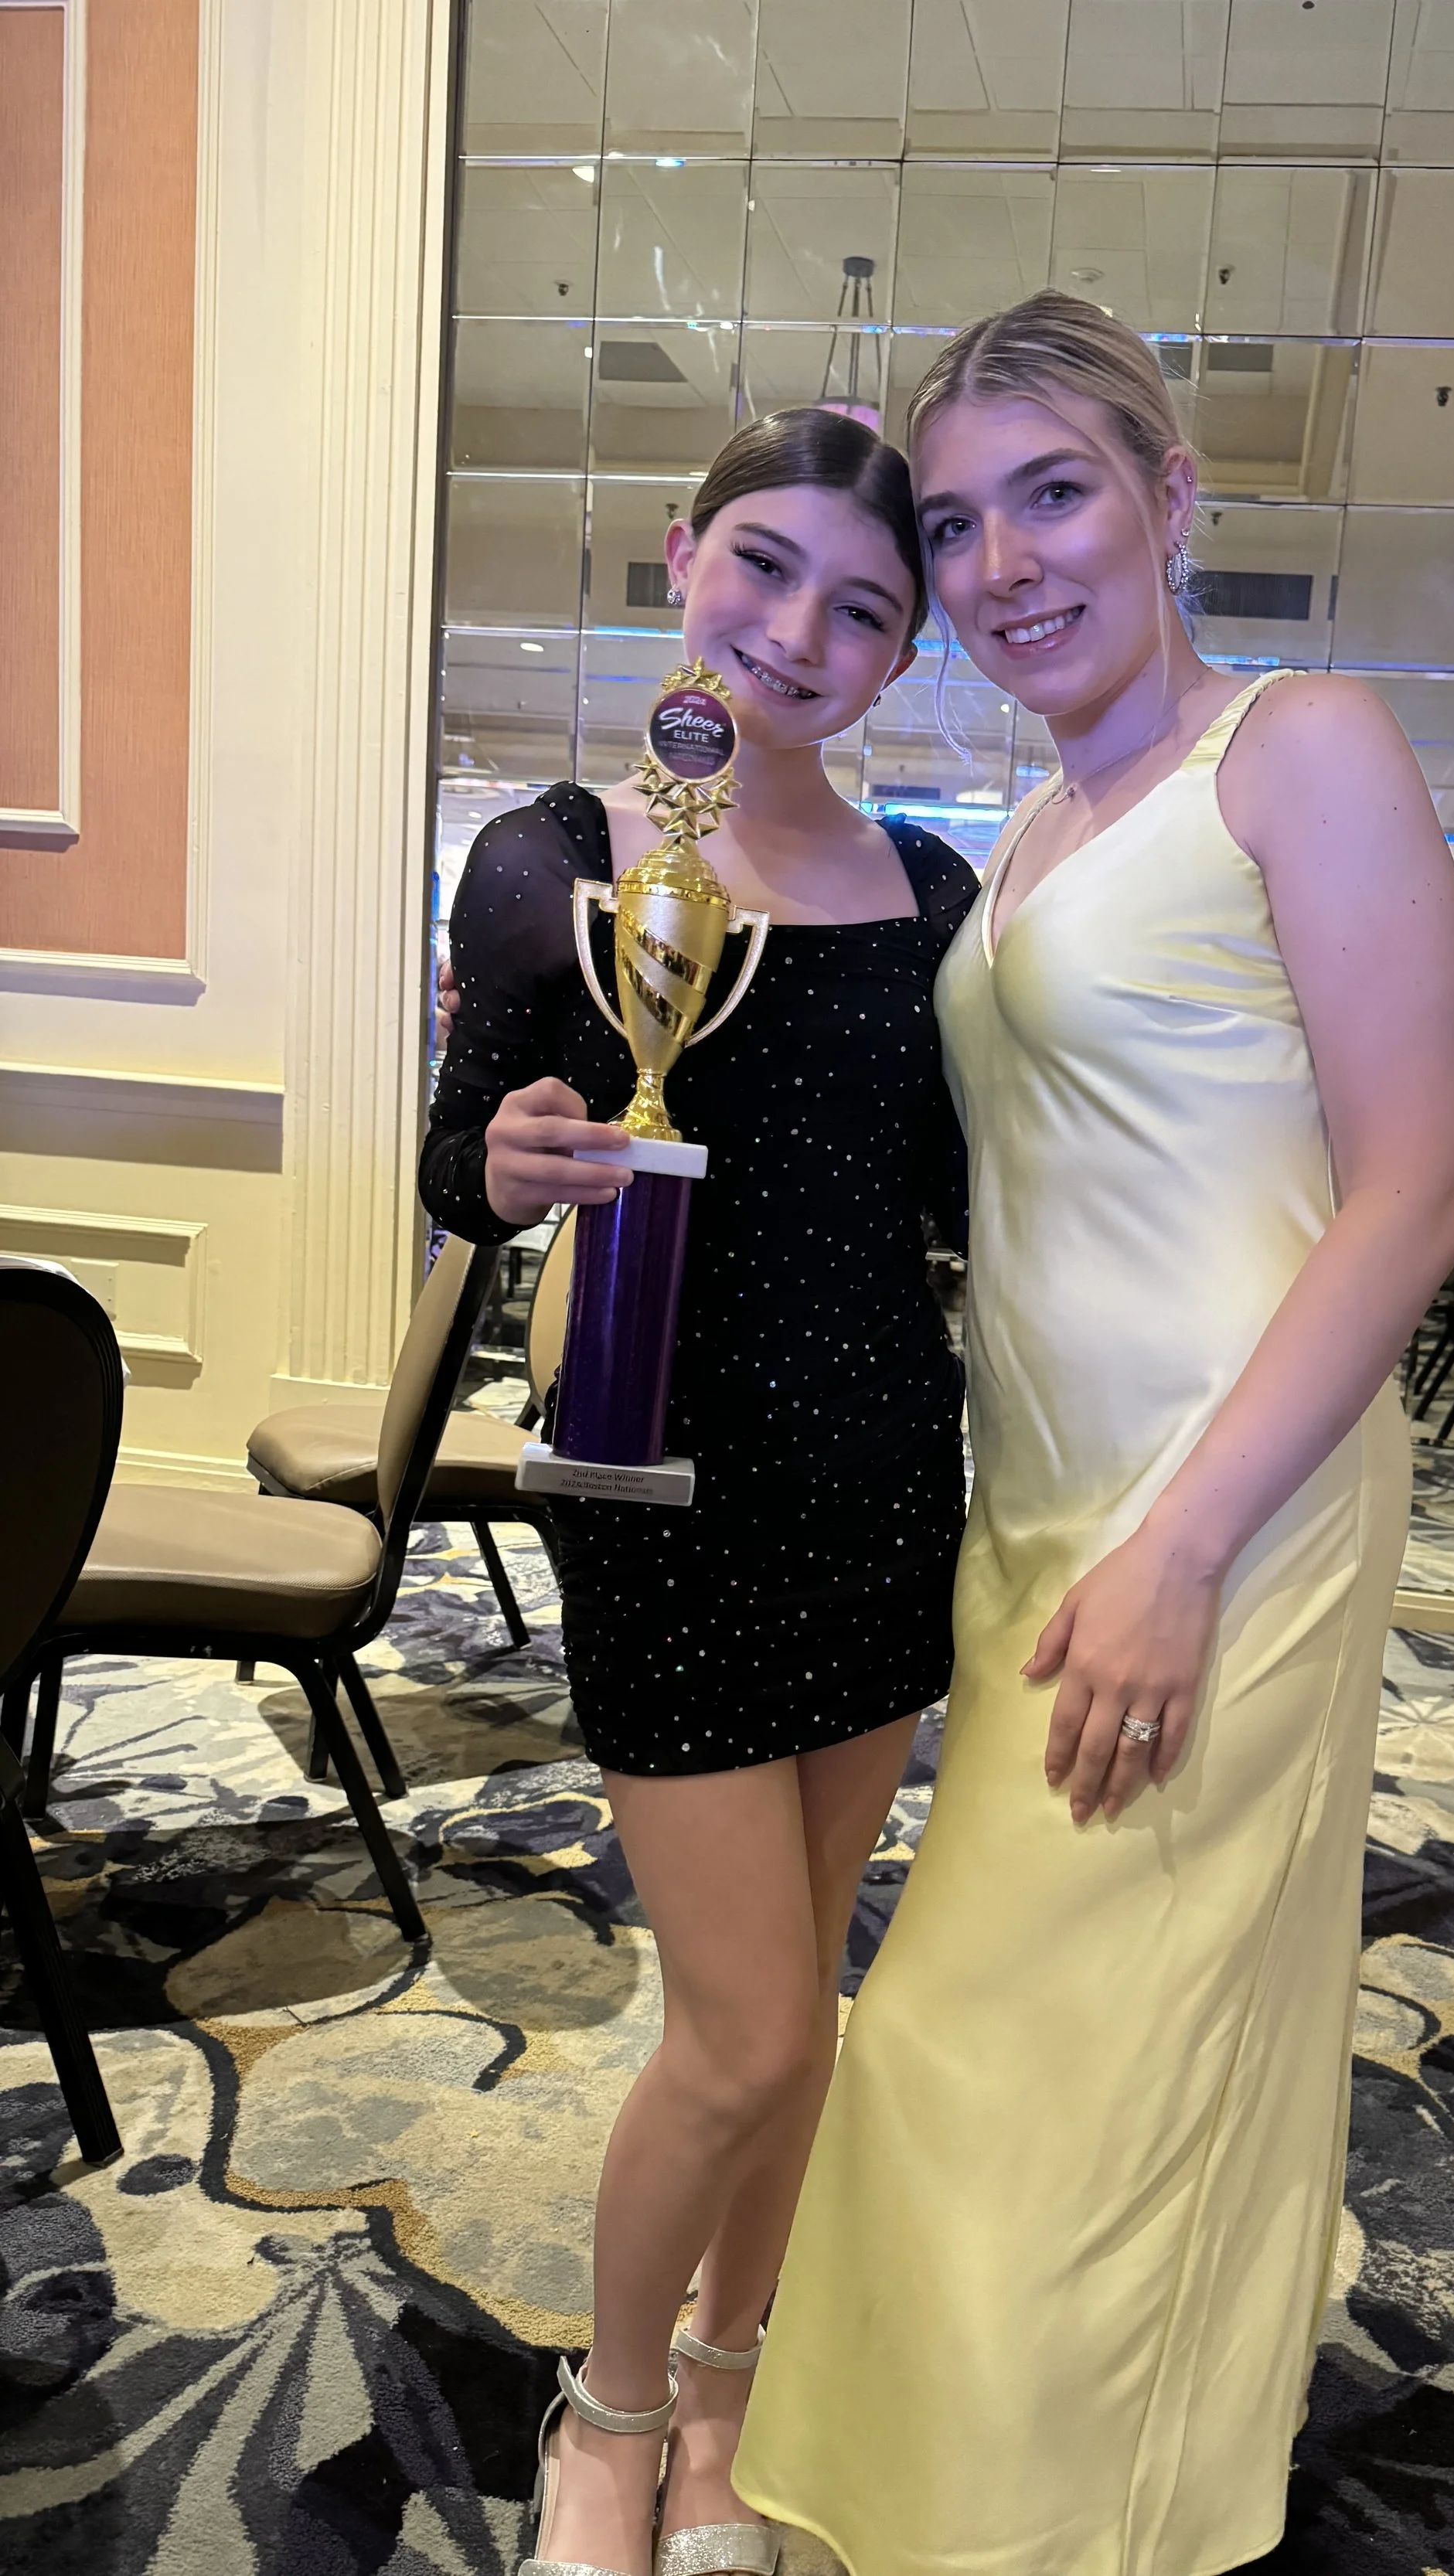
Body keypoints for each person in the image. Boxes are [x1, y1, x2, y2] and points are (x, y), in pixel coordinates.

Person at [731, 290, 1454, 2576]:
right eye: (952, 526)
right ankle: (999, 2492)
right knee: (1027, 2040)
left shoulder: (1298, 743)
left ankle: (1073, 2522)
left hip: (1217, 1516)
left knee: (1014, 2042)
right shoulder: (1037, 821)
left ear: (1167, 497)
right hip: (1040, 1513)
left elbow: (1413, 1187)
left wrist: (1179, 1545)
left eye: (1049, 493)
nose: (997, 565)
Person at [417, 407, 978, 2576]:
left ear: (904, 648)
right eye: (760, 566)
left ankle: (733, 2405)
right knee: (738, 2021)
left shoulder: (924, 890)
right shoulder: (555, 850)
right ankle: (608, 2409)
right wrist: (517, 1150)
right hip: (653, 1481)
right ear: (680, 558)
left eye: (861, 604)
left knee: (795, 2010)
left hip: (873, 1488)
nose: (796, 630)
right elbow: (457, 1150)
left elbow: (947, 1197)